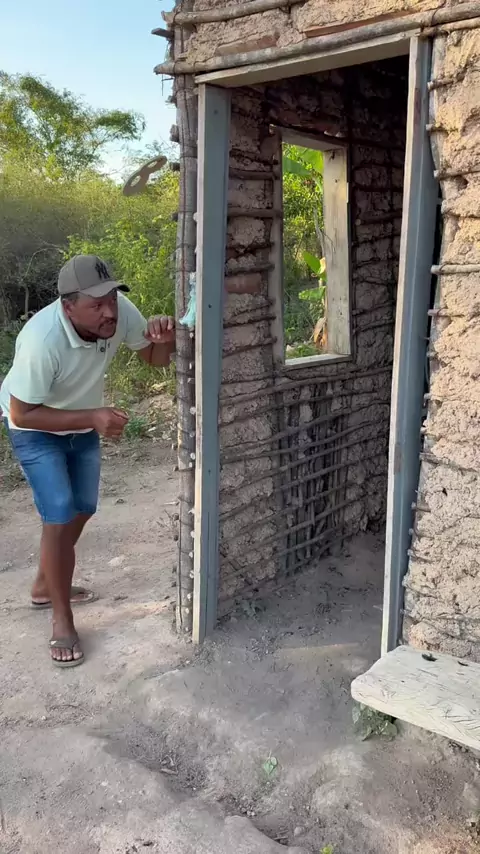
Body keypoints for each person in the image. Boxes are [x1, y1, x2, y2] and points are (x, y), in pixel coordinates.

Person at [0, 254, 176, 669]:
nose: (108, 311)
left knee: (84, 507)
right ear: (68, 307)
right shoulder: (43, 341)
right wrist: (93, 417)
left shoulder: (119, 313)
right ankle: (61, 619)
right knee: (59, 511)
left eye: (111, 298)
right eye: (96, 305)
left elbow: (153, 359)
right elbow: (22, 413)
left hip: (80, 421)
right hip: (34, 426)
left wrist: (164, 339)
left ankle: (45, 584)